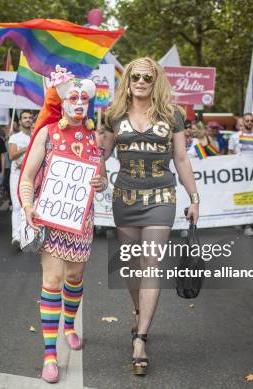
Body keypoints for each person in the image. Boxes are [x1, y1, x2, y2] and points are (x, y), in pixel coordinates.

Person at [100, 57, 199, 376]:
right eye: (136, 76)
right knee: (130, 265)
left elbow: (182, 159)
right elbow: (99, 154)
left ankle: (140, 338)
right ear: (127, 80)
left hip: (161, 196)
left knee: (150, 263)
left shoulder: (173, 115)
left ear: (156, 81)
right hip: (125, 197)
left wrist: (194, 197)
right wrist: (95, 168)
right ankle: (138, 309)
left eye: (148, 77)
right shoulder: (111, 114)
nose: (141, 81)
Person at [19, 67, 107, 383]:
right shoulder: (46, 133)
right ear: (62, 100)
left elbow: (102, 178)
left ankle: (69, 325)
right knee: (53, 280)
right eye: (73, 97)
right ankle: (50, 354)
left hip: (82, 221)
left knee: (74, 277)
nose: (79, 102)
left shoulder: (96, 137)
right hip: (52, 219)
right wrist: (28, 205)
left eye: (84, 97)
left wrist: (101, 182)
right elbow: (27, 177)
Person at [228, 113, 253, 237]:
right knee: (239, 196)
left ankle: (248, 226)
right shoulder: (234, 137)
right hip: (238, 172)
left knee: (250, 197)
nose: (249, 123)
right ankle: (240, 218)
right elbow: (230, 154)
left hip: (252, 172)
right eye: (247, 120)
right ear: (242, 122)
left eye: (251, 121)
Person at [8, 111, 33, 247]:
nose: (27, 120)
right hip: (17, 176)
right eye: (25, 118)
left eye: (30, 118)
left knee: (30, 205)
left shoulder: (37, 136)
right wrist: (26, 148)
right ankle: (16, 236)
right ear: (20, 121)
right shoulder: (15, 137)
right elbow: (12, 156)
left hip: (33, 176)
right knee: (17, 205)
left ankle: (28, 235)